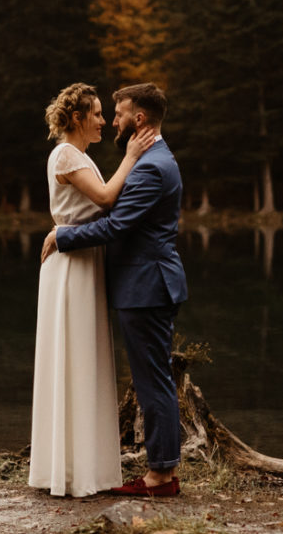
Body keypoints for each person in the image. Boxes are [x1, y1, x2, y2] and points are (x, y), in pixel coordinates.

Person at [41, 82, 187, 498]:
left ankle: (161, 476)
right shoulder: (150, 160)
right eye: (105, 113)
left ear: (139, 119)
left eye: (118, 112)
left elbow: (116, 224)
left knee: (152, 381)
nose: (113, 120)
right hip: (144, 285)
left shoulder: (150, 166)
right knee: (152, 379)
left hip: (147, 286)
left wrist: (62, 236)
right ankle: (162, 470)